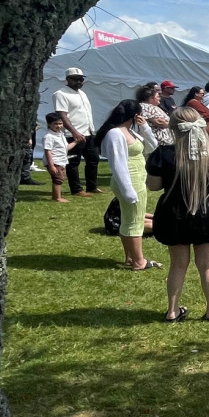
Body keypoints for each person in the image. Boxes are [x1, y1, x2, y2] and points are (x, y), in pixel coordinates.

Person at [146, 108, 209, 322]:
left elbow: (154, 185)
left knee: (178, 264)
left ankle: (172, 311)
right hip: (207, 212)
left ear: (173, 129)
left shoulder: (164, 153)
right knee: (206, 264)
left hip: (174, 212)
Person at [97, 99, 160, 270]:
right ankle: (139, 261)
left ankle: (130, 257)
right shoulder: (115, 134)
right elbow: (118, 164)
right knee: (135, 222)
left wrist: (145, 127)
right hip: (130, 182)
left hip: (136, 181)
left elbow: (153, 147)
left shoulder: (131, 131)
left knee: (128, 219)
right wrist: (128, 191)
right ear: (135, 115)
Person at [53, 66, 101, 196]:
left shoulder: (82, 93)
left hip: (88, 132)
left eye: (81, 79)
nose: (79, 82)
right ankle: (76, 189)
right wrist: (74, 132)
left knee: (93, 159)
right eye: (75, 79)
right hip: (73, 134)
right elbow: (62, 115)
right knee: (73, 162)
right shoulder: (60, 94)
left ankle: (92, 186)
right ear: (68, 79)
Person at [41, 111, 70, 202]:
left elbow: (66, 147)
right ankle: (57, 197)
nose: (59, 126)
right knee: (58, 178)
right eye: (55, 124)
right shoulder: (48, 137)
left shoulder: (61, 135)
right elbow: (48, 151)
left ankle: (56, 196)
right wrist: (51, 165)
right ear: (49, 124)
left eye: (60, 123)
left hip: (62, 160)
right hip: (55, 161)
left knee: (61, 177)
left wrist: (76, 142)